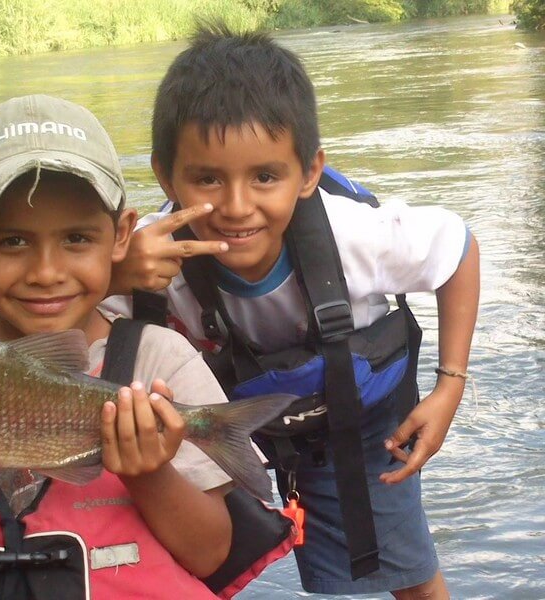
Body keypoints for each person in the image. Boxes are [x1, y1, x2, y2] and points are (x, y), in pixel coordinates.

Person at [0, 94, 293, 600]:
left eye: (75, 239)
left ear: (120, 236)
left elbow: (209, 555)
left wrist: (151, 475)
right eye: (12, 242)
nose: (46, 273)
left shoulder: (163, 359)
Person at [104, 24, 480, 599]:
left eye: (265, 177)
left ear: (307, 173)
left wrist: (448, 387)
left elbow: (459, 250)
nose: (235, 207)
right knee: (188, 566)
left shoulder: (357, 236)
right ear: (165, 177)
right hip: (229, 415)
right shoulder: (148, 261)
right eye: (207, 179)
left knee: (406, 570)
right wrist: (113, 273)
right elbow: (40, 314)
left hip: (359, 416)